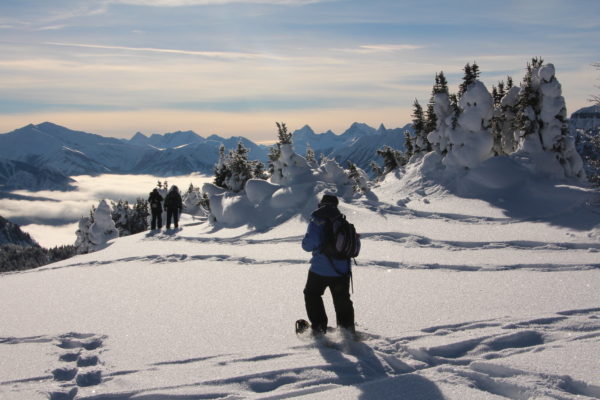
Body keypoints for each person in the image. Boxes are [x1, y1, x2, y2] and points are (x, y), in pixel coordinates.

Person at [301, 194, 355, 337]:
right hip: (342, 270)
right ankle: (347, 331)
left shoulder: (317, 219)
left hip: (320, 269)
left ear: (322, 204)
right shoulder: (342, 220)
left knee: (312, 294)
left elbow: (308, 245)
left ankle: (319, 328)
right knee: (342, 299)